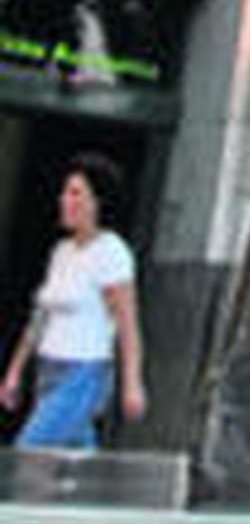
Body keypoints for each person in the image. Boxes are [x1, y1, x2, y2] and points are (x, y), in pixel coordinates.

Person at [1, 152, 147, 450]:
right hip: (48, 369)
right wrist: (15, 371)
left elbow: (127, 324)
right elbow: (40, 319)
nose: (65, 200)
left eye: (76, 193)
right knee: (75, 457)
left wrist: (132, 383)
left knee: (30, 451)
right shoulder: (61, 252)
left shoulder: (111, 253)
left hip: (83, 372)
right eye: (65, 193)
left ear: (97, 202)